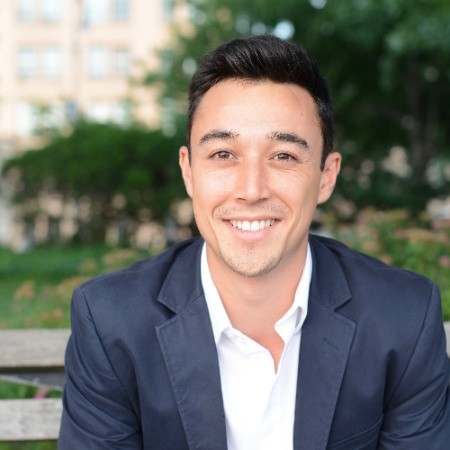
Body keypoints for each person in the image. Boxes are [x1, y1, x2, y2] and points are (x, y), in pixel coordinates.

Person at [58, 35, 450, 449]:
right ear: (189, 171)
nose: (251, 190)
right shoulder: (111, 321)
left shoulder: (403, 317)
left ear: (326, 176)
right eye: (223, 154)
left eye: (283, 156)